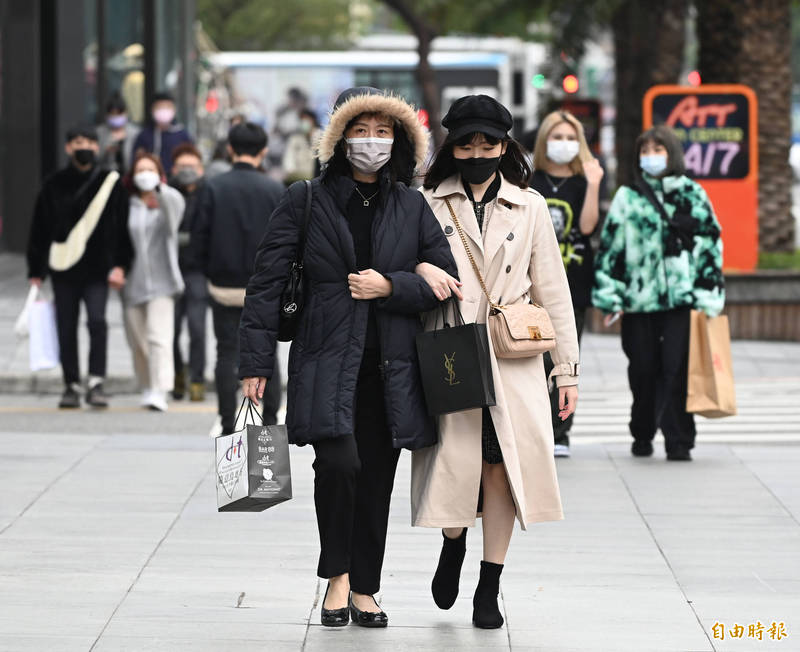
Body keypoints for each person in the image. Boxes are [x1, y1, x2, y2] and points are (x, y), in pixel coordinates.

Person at [239, 87, 458, 628]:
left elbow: (444, 280)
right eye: (361, 131)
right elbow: (265, 284)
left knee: (377, 478)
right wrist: (254, 364)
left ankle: (364, 589)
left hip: (392, 367)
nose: (372, 142)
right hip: (325, 359)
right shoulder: (304, 199)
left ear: (401, 140)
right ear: (339, 138)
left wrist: (392, 287)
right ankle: (336, 575)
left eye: (384, 132)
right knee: (339, 467)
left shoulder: (412, 204)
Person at [411, 95, 580, 629]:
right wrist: (421, 266)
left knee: (500, 468)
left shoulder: (529, 207)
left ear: (504, 146)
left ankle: (490, 582)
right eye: (468, 143)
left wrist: (566, 370)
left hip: (513, 356)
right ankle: (453, 543)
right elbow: (398, 262)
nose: (479, 152)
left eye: (489, 143)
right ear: (451, 147)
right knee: (455, 465)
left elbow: (554, 290)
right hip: (452, 352)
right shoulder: (426, 202)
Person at [593, 125, 724, 462]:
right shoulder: (628, 197)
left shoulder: (692, 194)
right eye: (645, 151)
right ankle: (642, 431)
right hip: (638, 303)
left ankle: (680, 440)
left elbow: (709, 246)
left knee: (677, 369)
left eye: (658, 149)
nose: (651, 157)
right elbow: (611, 250)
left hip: (682, 301)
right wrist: (611, 297)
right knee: (643, 369)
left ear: (672, 153)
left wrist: (708, 297)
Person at [26, 125, 132, 409]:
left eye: (87, 141)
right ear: (67, 148)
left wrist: (121, 265)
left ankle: (96, 381)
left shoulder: (111, 183)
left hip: (99, 268)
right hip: (63, 268)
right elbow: (40, 228)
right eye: (76, 142)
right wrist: (36, 270)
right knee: (66, 326)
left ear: (97, 147)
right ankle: (70, 384)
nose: (82, 146)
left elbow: (122, 228)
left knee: (97, 322)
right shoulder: (54, 183)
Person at [192, 123, 285, 434]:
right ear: (263, 151)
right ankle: (270, 422)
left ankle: (226, 421)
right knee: (267, 352)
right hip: (267, 288)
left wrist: (207, 271)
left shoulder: (213, 186)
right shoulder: (275, 189)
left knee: (226, 352)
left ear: (230, 149)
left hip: (224, 286)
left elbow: (199, 238)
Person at [529, 110, 604, 458]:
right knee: (537, 360)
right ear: (545, 141)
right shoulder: (531, 179)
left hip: (574, 282)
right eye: (557, 137)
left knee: (566, 359)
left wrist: (593, 184)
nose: (564, 144)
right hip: (533, 285)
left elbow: (587, 227)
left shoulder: (583, 180)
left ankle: (562, 432)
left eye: (570, 137)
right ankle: (539, 428)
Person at [123, 152, 185, 412]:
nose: (144, 174)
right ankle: (147, 385)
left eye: (150, 169)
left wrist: (160, 190)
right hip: (132, 283)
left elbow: (176, 214)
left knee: (158, 336)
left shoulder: (167, 199)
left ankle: (160, 389)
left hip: (163, 282)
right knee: (137, 341)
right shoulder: (127, 204)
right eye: (140, 170)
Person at [168, 143, 208, 401]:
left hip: (198, 271)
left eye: (191, 167)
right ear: (173, 169)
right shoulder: (166, 195)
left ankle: (197, 378)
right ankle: (176, 374)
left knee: (197, 328)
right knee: (169, 330)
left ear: (201, 169)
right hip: (170, 271)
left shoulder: (209, 194)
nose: (186, 171)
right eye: (182, 167)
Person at [131, 92, 193, 172]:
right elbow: (136, 159)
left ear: (174, 110)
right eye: (160, 107)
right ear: (152, 110)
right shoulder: (144, 135)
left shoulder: (182, 134)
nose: (164, 111)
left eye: (167, 107)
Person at [96, 92, 139, 175]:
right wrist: (106, 149)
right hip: (105, 174)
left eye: (119, 113)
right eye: (112, 114)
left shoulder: (135, 133)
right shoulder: (100, 132)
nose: (116, 117)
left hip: (128, 175)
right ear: (107, 115)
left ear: (126, 113)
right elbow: (95, 158)